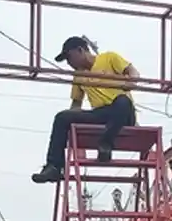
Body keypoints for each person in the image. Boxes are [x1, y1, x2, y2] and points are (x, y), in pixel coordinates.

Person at [32, 36, 139, 184]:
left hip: (122, 113)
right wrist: (70, 120)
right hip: (100, 114)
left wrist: (130, 83)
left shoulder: (109, 58)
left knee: (123, 101)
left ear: (80, 50)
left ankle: (106, 143)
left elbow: (134, 72)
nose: (69, 63)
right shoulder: (78, 75)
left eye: (69, 58)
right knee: (62, 117)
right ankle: (54, 166)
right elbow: (76, 106)